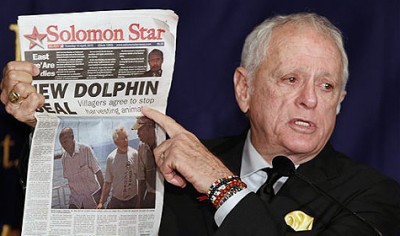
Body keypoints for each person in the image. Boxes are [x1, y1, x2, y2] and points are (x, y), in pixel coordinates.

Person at [1, 12, 400, 235]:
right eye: (291, 79)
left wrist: (221, 185)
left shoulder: (373, 198)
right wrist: (44, 125)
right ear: (244, 89)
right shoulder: (176, 171)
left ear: (340, 101)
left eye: (326, 85)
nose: (310, 99)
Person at [56, 127, 104, 209]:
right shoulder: (64, 159)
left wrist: (102, 199)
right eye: (61, 143)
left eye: (65, 141)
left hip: (93, 198)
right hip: (76, 201)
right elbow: (69, 181)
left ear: (72, 137)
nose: (63, 145)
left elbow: (98, 172)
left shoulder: (85, 150)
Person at [97, 127, 144, 209]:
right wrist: (101, 202)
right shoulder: (111, 158)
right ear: (115, 142)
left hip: (133, 200)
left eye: (126, 137)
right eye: (122, 139)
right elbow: (108, 183)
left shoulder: (135, 154)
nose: (125, 141)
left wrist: (139, 201)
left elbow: (140, 179)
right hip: (116, 201)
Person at [132, 116, 157, 208]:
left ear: (150, 127)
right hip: (151, 193)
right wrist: (139, 203)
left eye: (140, 129)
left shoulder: (164, 142)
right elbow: (141, 178)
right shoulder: (141, 147)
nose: (137, 133)